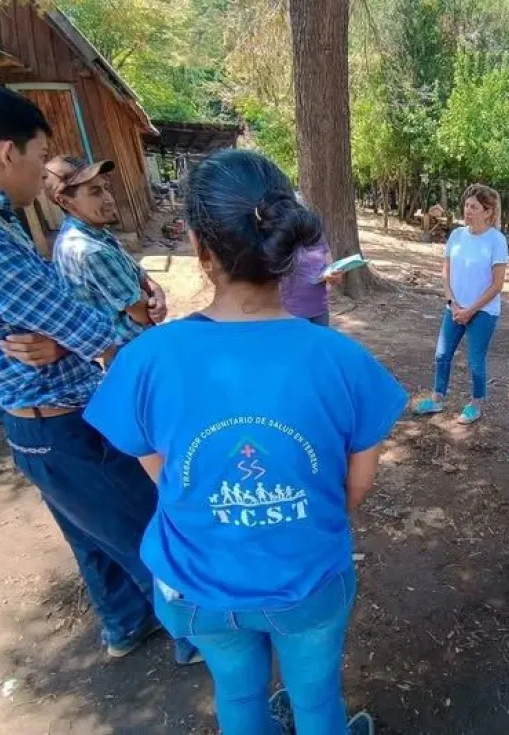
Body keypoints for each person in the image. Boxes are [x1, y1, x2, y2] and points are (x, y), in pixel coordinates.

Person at [84, 149, 408, 735]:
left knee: (237, 698)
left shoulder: (145, 360)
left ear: (197, 246)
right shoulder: (342, 360)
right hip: (306, 580)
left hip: (197, 587)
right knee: (316, 702)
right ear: (287, 248)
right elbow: (356, 486)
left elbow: (168, 477)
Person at [0, 84, 197, 665]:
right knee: (146, 533)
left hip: (42, 424)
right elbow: (93, 331)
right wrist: (123, 327)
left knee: (92, 536)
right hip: (61, 423)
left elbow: (62, 322)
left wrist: (68, 337)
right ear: (5, 154)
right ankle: (198, 641)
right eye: (39, 156)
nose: (42, 173)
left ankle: (125, 626)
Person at [412, 184, 508, 425]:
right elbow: (446, 273)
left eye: (474, 207)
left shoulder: (496, 240)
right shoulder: (456, 235)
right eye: (466, 205)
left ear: (488, 212)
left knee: (476, 360)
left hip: (482, 311)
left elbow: (497, 285)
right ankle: (437, 398)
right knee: (442, 354)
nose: (468, 210)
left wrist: (470, 310)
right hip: (454, 308)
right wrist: (452, 303)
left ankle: (475, 404)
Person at [44, 155, 167, 344]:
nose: (109, 198)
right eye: (95, 192)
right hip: (130, 349)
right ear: (65, 202)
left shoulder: (97, 233)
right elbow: (142, 313)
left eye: (105, 189)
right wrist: (144, 295)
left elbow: (139, 274)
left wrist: (156, 292)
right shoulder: (89, 250)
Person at [279, 194, 343, 325]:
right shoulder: (281, 240)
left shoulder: (318, 236)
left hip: (320, 311)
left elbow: (330, 268)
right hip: (291, 314)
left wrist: (333, 278)